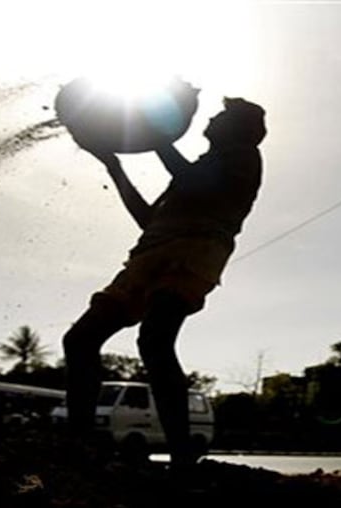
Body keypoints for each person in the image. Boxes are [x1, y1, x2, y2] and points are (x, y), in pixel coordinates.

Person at [62, 97, 266, 470]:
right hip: (147, 255)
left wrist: (155, 137)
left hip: (195, 251)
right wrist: (115, 166)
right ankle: (80, 444)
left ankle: (182, 455)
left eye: (220, 116)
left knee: (154, 340)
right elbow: (147, 217)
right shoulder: (198, 168)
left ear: (241, 128)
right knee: (79, 340)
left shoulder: (244, 156)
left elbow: (195, 183)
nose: (211, 119)